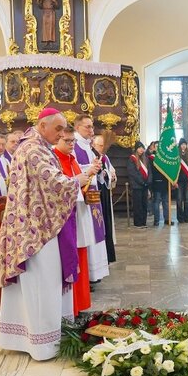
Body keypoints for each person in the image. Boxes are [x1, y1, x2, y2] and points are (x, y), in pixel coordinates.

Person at [0, 108, 81, 360]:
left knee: (38, 283)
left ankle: (30, 336)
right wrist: (80, 178)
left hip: (34, 222)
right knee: (42, 282)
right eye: (58, 128)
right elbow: (55, 183)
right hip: (36, 229)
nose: (61, 134)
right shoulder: (33, 148)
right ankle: (42, 343)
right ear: (43, 125)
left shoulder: (36, 145)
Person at [53, 126, 92, 316]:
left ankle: (80, 305)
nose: (71, 144)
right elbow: (56, 189)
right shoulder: (54, 160)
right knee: (70, 260)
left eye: (73, 141)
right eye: (67, 141)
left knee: (81, 258)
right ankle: (71, 308)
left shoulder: (72, 159)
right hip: (66, 221)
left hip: (78, 216)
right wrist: (77, 181)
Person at [73, 114, 110, 284]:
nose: (91, 130)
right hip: (83, 195)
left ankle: (96, 273)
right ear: (77, 127)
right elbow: (73, 169)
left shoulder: (88, 146)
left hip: (93, 193)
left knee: (96, 230)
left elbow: (93, 171)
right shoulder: (74, 145)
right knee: (87, 231)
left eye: (92, 126)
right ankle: (88, 274)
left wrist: (99, 170)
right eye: (87, 126)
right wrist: (91, 168)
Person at [93, 133, 117, 263]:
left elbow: (111, 171)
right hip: (96, 194)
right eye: (99, 145)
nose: (101, 148)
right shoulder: (93, 156)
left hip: (105, 193)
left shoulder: (105, 158)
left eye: (102, 145)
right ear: (93, 145)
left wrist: (111, 175)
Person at [148, 141, 174, 226]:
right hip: (156, 183)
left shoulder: (165, 157)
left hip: (165, 183)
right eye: (156, 146)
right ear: (154, 148)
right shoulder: (151, 158)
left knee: (166, 202)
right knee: (156, 202)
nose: (158, 148)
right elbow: (151, 171)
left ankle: (167, 219)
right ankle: (156, 220)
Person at [127, 141, 149, 228]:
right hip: (137, 186)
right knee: (138, 205)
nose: (141, 150)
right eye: (139, 148)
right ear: (136, 149)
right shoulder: (132, 159)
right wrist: (142, 182)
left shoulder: (145, 159)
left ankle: (144, 222)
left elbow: (149, 171)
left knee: (144, 204)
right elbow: (133, 173)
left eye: (142, 148)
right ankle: (138, 223)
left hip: (145, 186)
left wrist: (148, 181)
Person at [176, 138, 188, 223]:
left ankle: (187, 217)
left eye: (185, 144)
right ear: (179, 145)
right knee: (179, 199)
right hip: (179, 181)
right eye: (182, 144)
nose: (183, 146)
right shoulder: (176, 155)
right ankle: (180, 218)